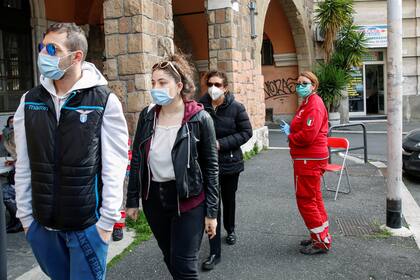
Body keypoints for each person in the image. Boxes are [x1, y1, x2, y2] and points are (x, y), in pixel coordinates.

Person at [14, 22, 128, 279]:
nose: (43, 54)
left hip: (87, 226)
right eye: (42, 47)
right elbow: (24, 162)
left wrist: (107, 222)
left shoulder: (103, 100)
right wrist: (26, 219)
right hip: (42, 226)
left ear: (76, 56)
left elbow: (116, 163)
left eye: (52, 49)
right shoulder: (29, 100)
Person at [126, 53, 219, 280]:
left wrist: (212, 213)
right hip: (154, 200)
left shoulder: (200, 118)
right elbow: (137, 158)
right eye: (153, 82)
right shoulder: (148, 116)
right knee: (170, 257)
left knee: (184, 266)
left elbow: (211, 167)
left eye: (162, 82)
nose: (156, 87)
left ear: (179, 86)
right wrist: (132, 200)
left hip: (188, 200)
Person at [199, 70, 252, 270]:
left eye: (218, 84)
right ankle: (214, 252)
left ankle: (230, 229)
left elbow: (247, 132)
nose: (213, 88)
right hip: (207, 165)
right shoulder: (199, 106)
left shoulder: (236, 108)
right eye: (210, 84)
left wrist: (221, 144)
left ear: (225, 87)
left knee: (228, 199)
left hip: (230, 163)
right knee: (212, 204)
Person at [280, 71, 331, 255]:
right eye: (298, 83)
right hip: (308, 158)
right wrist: (292, 130)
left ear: (313, 85)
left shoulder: (314, 105)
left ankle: (321, 242)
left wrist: (290, 135)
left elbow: (308, 135)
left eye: (304, 83)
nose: (299, 86)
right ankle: (320, 235)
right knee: (314, 198)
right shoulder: (308, 103)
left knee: (306, 200)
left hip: (309, 159)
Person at [1, 115, 23, 233]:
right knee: (6, 191)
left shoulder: (19, 136)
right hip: (16, 174)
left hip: (23, 179)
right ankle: (15, 221)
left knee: (5, 193)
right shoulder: (8, 136)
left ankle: (18, 221)